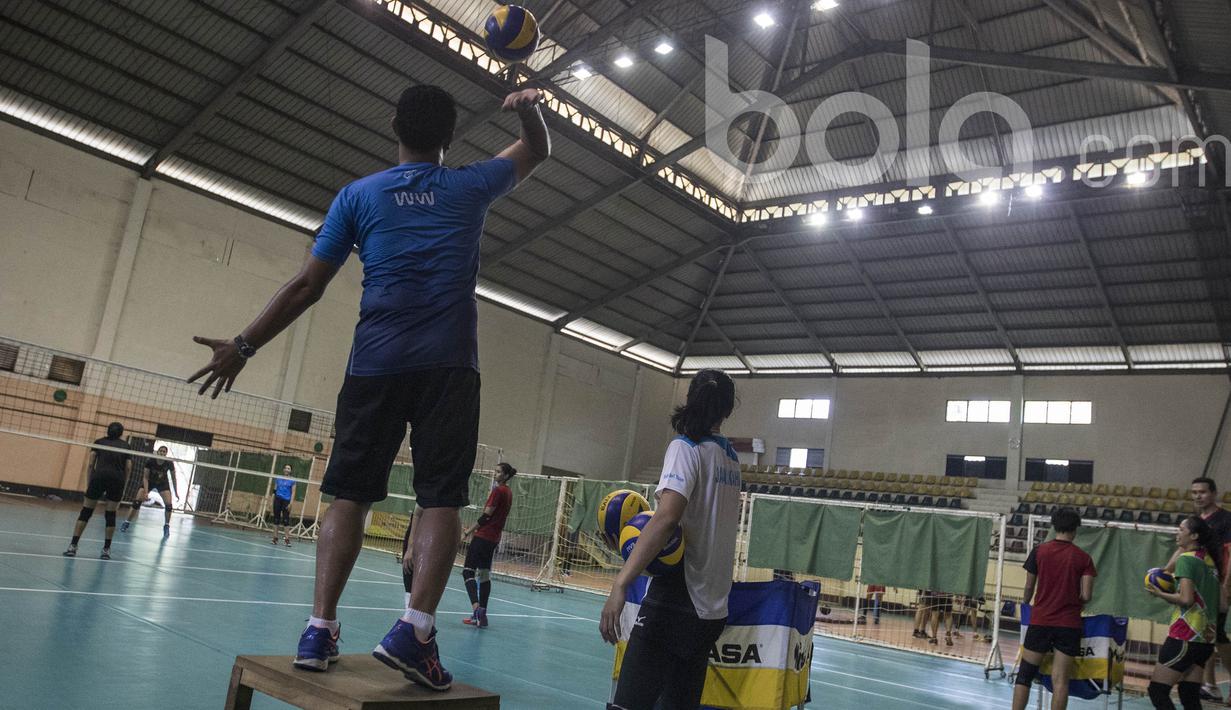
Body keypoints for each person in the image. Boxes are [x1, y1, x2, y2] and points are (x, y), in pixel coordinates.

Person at [187, 83, 549, 691]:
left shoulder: (358, 195)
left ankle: (318, 629)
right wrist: (530, 111)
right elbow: (536, 149)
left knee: (348, 495)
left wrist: (243, 346)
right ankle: (415, 630)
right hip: (448, 367)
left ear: (393, 126)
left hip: (374, 365)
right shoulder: (470, 185)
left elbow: (307, 286)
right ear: (450, 137)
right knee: (440, 500)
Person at [601, 369, 741, 710]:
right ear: (727, 410)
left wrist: (621, 582)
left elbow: (666, 518)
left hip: (677, 599)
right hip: (712, 609)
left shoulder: (685, 447)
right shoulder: (731, 459)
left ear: (689, 398)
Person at [1012, 507, 1096, 710]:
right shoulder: (1084, 558)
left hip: (1041, 620)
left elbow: (1029, 587)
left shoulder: (1039, 551)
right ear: (1075, 529)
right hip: (1069, 624)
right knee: (1061, 681)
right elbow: (1086, 595)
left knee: (1025, 675)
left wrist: (1026, 603)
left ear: (1054, 526)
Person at [1145, 515, 1224, 710]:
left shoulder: (1186, 560)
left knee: (1157, 691)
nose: (1177, 532)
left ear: (1194, 535)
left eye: (1181, 529)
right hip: (1206, 640)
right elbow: (1222, 605)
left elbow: (1186, 599)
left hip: (1185, 636)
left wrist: (1160, 593)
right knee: (1189, 696)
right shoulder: (1209, 560)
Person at [1188, 477, 1231, 702]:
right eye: (1194, 492)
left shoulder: (1226, 519)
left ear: (1214, 493)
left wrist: (1225, 586)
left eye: (1202, 492)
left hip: (1218, 585)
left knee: (1219, 635)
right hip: (1200, 585)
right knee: (1205, 635)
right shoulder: (1195, 521)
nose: (1198, 496)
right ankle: (1210, 686)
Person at [458, 462, 516, 628]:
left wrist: (467, 532)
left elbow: (486, 516)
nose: (495, 474)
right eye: (495, 471)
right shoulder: (508, 492)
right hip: (494, 539)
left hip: (483, 537)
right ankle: (482, 616)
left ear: (506, 475)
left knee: (468, 571)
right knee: (484, 574)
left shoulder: (498, 491)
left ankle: (476, 609)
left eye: (498, 472)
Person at [64, 422, 133, 559]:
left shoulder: (99, 442)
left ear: (108, 431)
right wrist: (123, 485)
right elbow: (128, 468)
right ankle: (106, 550)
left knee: (86, 512)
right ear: (121, 433)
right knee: (110, 515)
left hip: (99, 477)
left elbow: (91, 464)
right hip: (117, 479)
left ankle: (73, 546)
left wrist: (89, 483)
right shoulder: (126, 446)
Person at [121, 445, 178, 538]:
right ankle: (126, 522)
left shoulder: (169, 463)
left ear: (166, 453)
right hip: (149, 482)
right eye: (160, 451)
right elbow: (145, 477)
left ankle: (166, 526)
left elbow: (174, 478)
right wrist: (146, 492)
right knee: (136, 503)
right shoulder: (150, 461)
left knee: (169, 505)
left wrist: (176, 492)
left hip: (162, 483)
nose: (162, 453)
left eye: (164, 451)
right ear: (157, 452)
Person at [271, 464, 297, 547]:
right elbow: (274, 490)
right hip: (277, 499)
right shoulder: (278, 478)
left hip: (286, 501)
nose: (286, 469)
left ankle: (287, 539)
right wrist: (271, 501)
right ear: (283, 469)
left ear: (290, 471)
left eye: (288, 468)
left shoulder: (292, 480)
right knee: (276, 519)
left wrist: (291, 503)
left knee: (286, 520)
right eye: (285, 468)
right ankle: (275, 538)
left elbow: (293, 492)